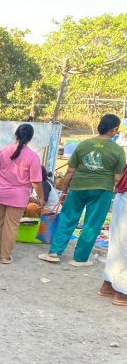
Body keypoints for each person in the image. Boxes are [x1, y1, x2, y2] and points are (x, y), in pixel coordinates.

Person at [39, 114, 125, 267]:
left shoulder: (83, 145)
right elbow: (118, 178)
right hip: (102, 190)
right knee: (92, 224)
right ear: (115, 130)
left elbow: (70, 171)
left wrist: (64, 190)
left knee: (67, 219)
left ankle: (54, 253)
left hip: (78, 187)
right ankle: (79, 259)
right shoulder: (117, 150)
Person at [0, 124, 45, 264]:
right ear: (29, 138)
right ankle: (5, 256)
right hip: (18, 195)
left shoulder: (3, 151)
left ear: (16, 135)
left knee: (0, 223)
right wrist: (41, 197)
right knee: (11, 225)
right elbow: (36, 181)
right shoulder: (33, 157)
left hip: (1, 192)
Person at [101, 165, 127, 306]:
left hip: (123, 196)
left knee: (118, 244)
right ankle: (123, 292)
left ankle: (109, 285)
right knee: (122, 245)